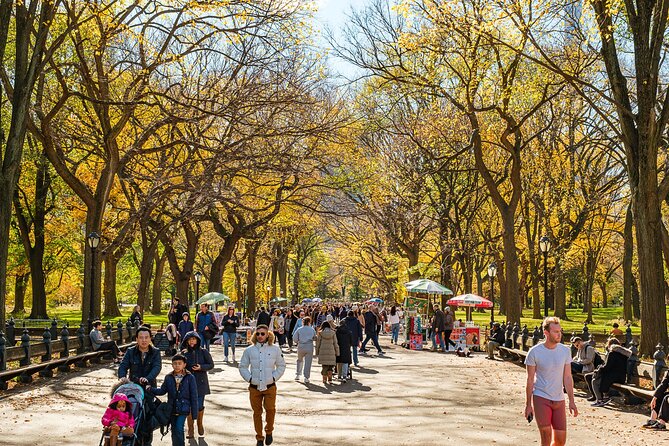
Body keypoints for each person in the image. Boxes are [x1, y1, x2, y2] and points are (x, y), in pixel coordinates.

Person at [524, 317, 578, 446]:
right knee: (546, 437)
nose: (559, 334)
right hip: (541, 397)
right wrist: (528, 405)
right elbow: (530, 379)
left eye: (560, 331)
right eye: (555, 331)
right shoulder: (534, 352)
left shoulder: (565, 351)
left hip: (559, 399)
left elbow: (567, 377)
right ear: (546, 333)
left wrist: (571, 401)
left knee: (560, 441)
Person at [239, 325, 286, 446]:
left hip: (270, 386)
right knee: (257, 413)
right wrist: (250, 378)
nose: (260, 336)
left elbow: (281, 365)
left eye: (263, 334)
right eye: (258, 334)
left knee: (270, 410)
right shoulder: (249, 350)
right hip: (254, 387)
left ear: (268, 335)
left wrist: (274, 377)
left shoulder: (275, 349)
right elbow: (242, 366)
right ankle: (259, 438)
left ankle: (269, 431)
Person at [118, 326, 162, 446]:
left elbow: (157, 367)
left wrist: (148, 378)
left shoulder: (156, 352)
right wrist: (122, 378)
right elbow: (123, 366)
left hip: (148, 389)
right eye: (141, 337)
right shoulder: (131, 351)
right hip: (132, 390)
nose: (144, 340)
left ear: (150, 338)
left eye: (146, 337)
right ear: (136, 339)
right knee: (130, 416)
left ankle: (147, 442)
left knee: (147, 419)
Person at [147, 353, 199, 446]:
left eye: (180, 363)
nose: (177, 365)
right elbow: (163, 390)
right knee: (174, 429)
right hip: (171, 408)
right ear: (172, 365)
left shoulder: (190, 377)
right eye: (175, 363)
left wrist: (194, 414)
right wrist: (150, 389)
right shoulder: (168, 377)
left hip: (184, 408)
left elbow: (194, 396)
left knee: (179, 428)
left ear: (184, 365)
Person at [181, 331, 214, 438]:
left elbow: (211, 364)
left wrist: (201, 367)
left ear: (197, 340)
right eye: (190, 339)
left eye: (194, 339)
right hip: (187, 383)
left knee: (199, 405)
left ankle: (200, 423)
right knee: (189, 407)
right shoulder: (184, 353)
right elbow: (179, 366)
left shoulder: (203, 351)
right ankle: (190, 429)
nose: (192, 341)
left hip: (201, 382)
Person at [584, 337, 631, 406]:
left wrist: (598, 370)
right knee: (593, 376)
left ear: (609, 345)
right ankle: (601, 398)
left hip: (613, 376)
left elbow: (607, 367)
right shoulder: (624, 354)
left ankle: (600, 400)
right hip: (621, 377)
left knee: (594, 380)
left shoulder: (612, 353)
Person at [294, 316, 316, 383]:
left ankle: (298, 375)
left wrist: (298, 341)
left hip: (301, 346)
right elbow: (314, 338)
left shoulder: (299, 329)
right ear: (309, 322)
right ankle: (306, 377)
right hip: (309, 346)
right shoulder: (312, 329)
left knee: (299, 360)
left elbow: (295, 339)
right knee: (308, 363)